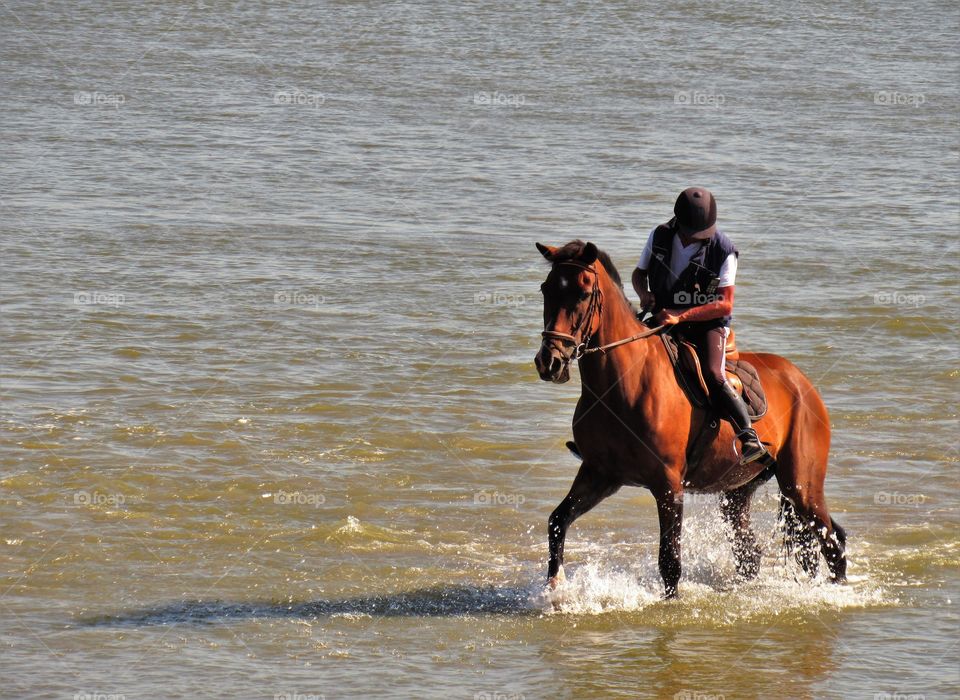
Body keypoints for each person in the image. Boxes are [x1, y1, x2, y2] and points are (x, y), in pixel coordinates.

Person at [631, 187, 766, 464]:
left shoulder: (724, 250)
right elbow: (639, 273)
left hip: (708, 324)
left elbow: (725, 304)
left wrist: (681, 316)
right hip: (662, 316)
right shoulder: (659, 236)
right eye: (690, 232)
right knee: (625, 361)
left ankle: (748, 437)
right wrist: (644, 294)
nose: (695, 238)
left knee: (714, 375)